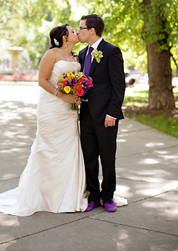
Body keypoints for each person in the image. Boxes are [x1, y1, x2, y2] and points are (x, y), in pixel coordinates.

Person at [0, 25, 88, 216]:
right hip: (51, 108)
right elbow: (42, 81)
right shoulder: (52, 54)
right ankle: (43, 196)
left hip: (69, 111)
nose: (76, 31)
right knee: (48, 148)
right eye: (72, 30)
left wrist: (76, 93)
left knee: (69, 149)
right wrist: (63, 95)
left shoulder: (76, 57)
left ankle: (68, 195)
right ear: (64, 37)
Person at [77, 14, 125, 213]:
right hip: (86, 114)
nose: (78, 31)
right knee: (89, 158)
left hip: (106, 116)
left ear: (92, 30)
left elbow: (118, 85)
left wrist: (112, 113)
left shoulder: (111, 51)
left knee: (107, 158)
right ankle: (93, 196)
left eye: (81, 28)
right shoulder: (81, 54)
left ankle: (108, 196)